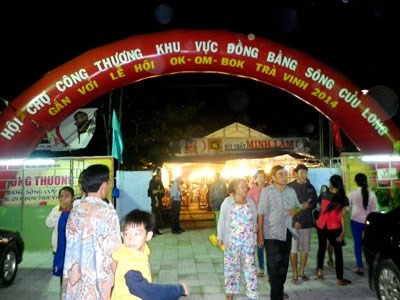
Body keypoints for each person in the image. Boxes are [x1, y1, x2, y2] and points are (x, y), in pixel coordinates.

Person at [61, 164, 122, 300]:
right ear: (104, 185)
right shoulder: (107, 212)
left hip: (74, 280)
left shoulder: (75, 210)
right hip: (97, 284)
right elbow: (114, 252)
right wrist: (121, 278)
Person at [111, 209, 189, 300]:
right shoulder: (130, 262)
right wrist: (179, 290)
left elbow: (114, 264)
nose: (130, 238)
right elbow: (148, 292)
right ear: (122, 235)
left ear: (148, 236)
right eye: (126, 233)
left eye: (136, 234)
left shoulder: (129, 251)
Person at [257, 165, 301, 300]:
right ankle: (276, 296)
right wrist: (260, 234)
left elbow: (298, 207)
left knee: (283, 265)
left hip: (287, 232)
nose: (284, 177)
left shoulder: (291, 191)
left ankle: (279, 288)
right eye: (281, 174)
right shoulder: (266, 192)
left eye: (285, 174)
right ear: (273, 177)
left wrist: (295, 211)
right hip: (271, 233)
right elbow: (261, 213)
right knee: (273, 266)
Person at [217, 178, 259, 300]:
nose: (245, 189)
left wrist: (255, 228)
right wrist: (220, 237)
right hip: (232, 241)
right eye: (242, 187)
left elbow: (254, 218)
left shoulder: (250, 202)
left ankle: (252, 291)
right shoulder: (228, 202)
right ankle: (230, 290)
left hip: (248, 241)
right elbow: (222, 220)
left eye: (246, 186)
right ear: (235, 188)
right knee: (231, 266)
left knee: (250, 266)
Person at [316, 174, 352, 286]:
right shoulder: (343, 199)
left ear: (331, 183)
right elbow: (342, 216)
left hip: (321, 225)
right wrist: (343, 231)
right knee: (338, 252)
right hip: (334, 227)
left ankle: (319, 271)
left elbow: (319, 208)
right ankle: (339, 278)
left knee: (322, 248)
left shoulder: (323, 195)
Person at [287, 164, 318, 284]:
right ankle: (295, 272)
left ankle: (302, 271)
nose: (304, 175)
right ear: (295, 174)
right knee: (293, 249)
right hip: (294, 224)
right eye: (301, 173)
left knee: (305, 248)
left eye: (305, 173)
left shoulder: (310, 187)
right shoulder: (289, 188)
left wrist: (309, 205)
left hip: (307, 222)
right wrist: (294, 222)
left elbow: (315, 201)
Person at [348, 173, 378, 276]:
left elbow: (347, 208)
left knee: (357, 244)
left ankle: (360, 267)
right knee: (369, 243)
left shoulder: (352, 194)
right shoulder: (372, 194)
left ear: (356, 182)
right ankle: (372, 263)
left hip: (355, 221)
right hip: (368, 223)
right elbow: (375, 211)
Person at [45, 186, 74, 285]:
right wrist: (59, 211)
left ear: (72, 198)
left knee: (72, 275)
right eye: (61, 196)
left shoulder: (76, 210)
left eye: (67, 196)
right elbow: (48, 224)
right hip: (59, 248)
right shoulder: (56, 209)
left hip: (73, 249)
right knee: (62, 273)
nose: (63, 199)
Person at [247, 169, 269, 278]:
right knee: (259, 244)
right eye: (259, 176)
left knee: (269, 245)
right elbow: (248, 207)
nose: (261, 179)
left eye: (263, 176)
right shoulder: (251, 192)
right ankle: (261, 268)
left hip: (269, 221)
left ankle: (270, 267)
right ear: (255, 179)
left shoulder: (270, 189)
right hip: (256, 220)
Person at [147, 169, 165, 235]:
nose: (159, 176)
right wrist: (159, 191)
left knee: (157, 216)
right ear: (155, 175)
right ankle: (152, 231)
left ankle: (156, 230)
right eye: (158, 175)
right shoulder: (152, 182)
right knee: (154, 216)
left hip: (159, 201)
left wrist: (159, 191)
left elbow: (163, 190)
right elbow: (153, 192)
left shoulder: (159, 181)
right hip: (154, 201)